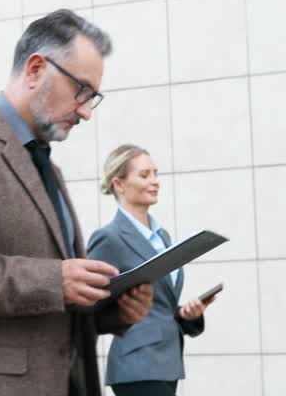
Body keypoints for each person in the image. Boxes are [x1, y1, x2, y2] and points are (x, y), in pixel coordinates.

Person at [0, 9, 153, 396]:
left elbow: (51, 306)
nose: (87, 111)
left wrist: (111, 313)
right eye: (81, 91)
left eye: (94, 98)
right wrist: (54, 280)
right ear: (36, 68)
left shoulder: (46, 168)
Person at [87, 145, 214, 396]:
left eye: (156, 173)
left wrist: (188, 315)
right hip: (136, 364)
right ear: (119, 184)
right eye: (144, 175)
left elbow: (160, 305)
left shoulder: (162, 237)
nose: (155, 181)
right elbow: (89, 304)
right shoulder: (108, 238)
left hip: (167, 362)